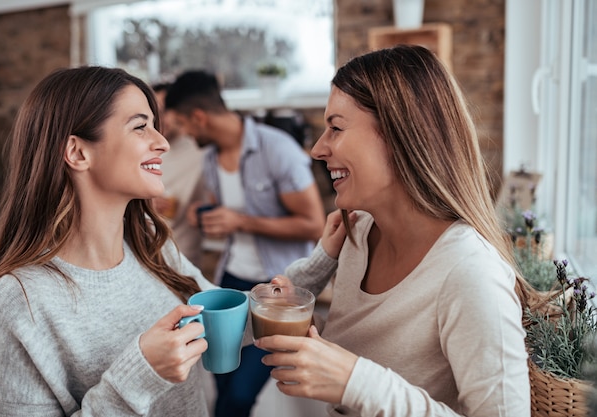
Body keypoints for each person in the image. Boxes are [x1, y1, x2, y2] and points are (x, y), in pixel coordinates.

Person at [254, 45, 536, 416]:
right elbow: (376, 352)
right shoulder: (361, 232)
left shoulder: (471, 274)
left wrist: (356, 381)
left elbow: (366, 380)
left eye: (335, 128)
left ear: (400, 134)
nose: (318, 149)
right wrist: (308, 328)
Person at [0, 66, 218, 416]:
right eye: (140, 126)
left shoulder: (151, 245)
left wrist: (321, 259)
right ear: (78, 153)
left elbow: (222, 317)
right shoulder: (18, 305)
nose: (161, 141)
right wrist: (140, 376)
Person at [164, 70, 326, 417]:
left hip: (276, 290)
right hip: (231, 280)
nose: (186, 135)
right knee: (219, 376)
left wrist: (241, 221)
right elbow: (223, 214)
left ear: (199, 117)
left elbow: (314, 224)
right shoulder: (209, 160)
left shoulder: (277, 149)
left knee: (238, 394)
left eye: (184, 125)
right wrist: (204, 217)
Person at [151, 83, 208, 267]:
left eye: (164, 110)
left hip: (185, 256)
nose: (157, 119)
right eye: (152, 111)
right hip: (145, 253)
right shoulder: (143, 149)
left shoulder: (203, 151)